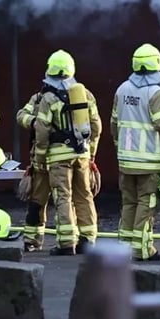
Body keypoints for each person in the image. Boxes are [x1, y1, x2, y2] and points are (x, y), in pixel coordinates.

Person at [34, 50, 103, 256]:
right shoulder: (86, 94)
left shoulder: (47, 98)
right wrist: (91, 155)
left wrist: (39, 157)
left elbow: (42, 129)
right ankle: (88, 240)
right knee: (84, 196)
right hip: (82, 154)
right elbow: (96, 127)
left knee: (63, 196)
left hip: (58, 157)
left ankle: (66, 244)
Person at [111, 43, 160, 261]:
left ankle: (124, 248)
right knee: (145, 204)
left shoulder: (121, 89)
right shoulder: (156, 92)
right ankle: (142, 250)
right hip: (149, 162)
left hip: (126, 160)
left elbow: (114, 123)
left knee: (128, 203)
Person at [17, 91, 51, 252]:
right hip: (43, 158)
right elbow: (21, 116)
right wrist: (34, 121)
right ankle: (32, 239)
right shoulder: (37, 97)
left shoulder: (77, 95)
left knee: (64, 201)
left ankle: (67, 241)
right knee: (38, 201)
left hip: (55, 158)